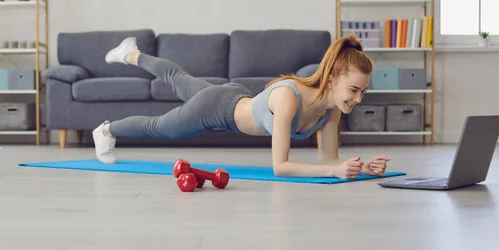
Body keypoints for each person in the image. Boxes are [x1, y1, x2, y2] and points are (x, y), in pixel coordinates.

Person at [92, 32, 390, 179]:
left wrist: (360, 168)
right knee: (160, 129)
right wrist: (336, 172)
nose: (358, 99)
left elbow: (329, 163)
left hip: (231, 96)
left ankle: (131, 54)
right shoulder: (290, 97)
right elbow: (280, 167)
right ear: (334, 76)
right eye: (354, 89)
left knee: (177, 77)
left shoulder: (332, 110)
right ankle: (106, 130)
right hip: (215, 110)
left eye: (363, 91)